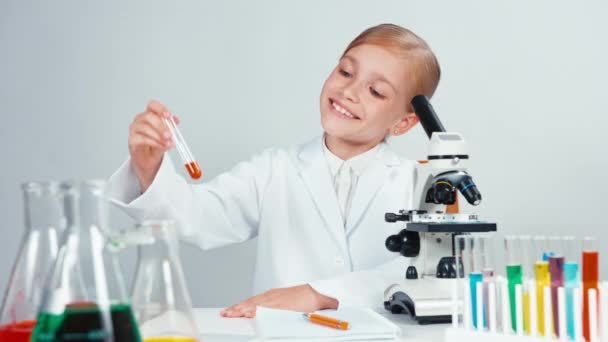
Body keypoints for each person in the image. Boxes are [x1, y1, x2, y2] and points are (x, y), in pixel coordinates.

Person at [108, 23, 441, 318]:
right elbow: (197, 218)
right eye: (345, 72)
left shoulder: (421, 185)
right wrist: (147, 165)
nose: (349, 91)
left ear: (405, 122)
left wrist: (316, 294)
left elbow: (428, 273)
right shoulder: (273, 170)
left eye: (376, 91)